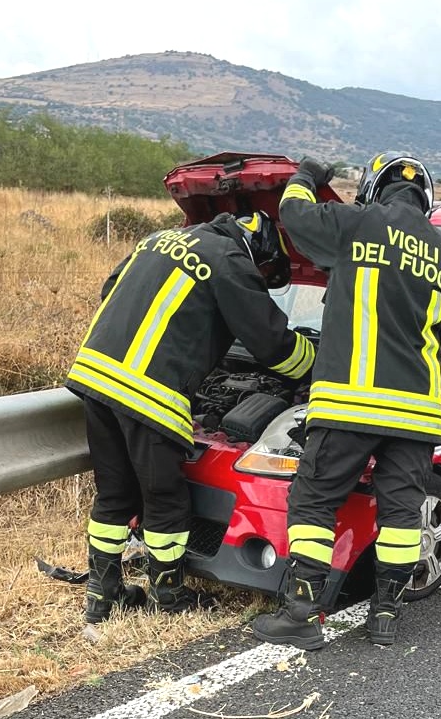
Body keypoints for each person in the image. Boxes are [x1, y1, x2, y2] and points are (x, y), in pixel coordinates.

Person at [251, 152, 441, 649]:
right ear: (426, 199)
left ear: (374, 187)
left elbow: (295, 217)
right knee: (402, 512)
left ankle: (302, 610)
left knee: (314, 498)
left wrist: (306, 176)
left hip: (352, 401)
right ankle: (384, 615)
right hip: (417, 410)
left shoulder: (359, 223)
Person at [65, 211, 316, 623]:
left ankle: (102, 594)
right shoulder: (231, 258)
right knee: (165, 498)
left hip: (94, 377)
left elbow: (110, 289)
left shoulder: (158, 238)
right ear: (259, 247)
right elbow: (272, 345)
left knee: (113, 493)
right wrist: (317, 366)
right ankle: (169, 595)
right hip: (148, 393)